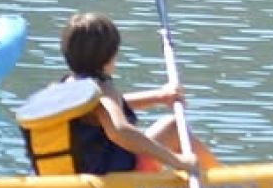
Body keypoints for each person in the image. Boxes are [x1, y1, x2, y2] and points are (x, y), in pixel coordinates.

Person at [48, 12, 206, 175]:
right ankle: (224, 183)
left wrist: (159, 97)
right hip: (114, 180)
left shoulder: (61, 89)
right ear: (109, 56)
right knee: (172, 127)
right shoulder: (102, 87)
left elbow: (102, 109)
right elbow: (119, 131)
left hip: (70, 176)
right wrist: (177, 161)